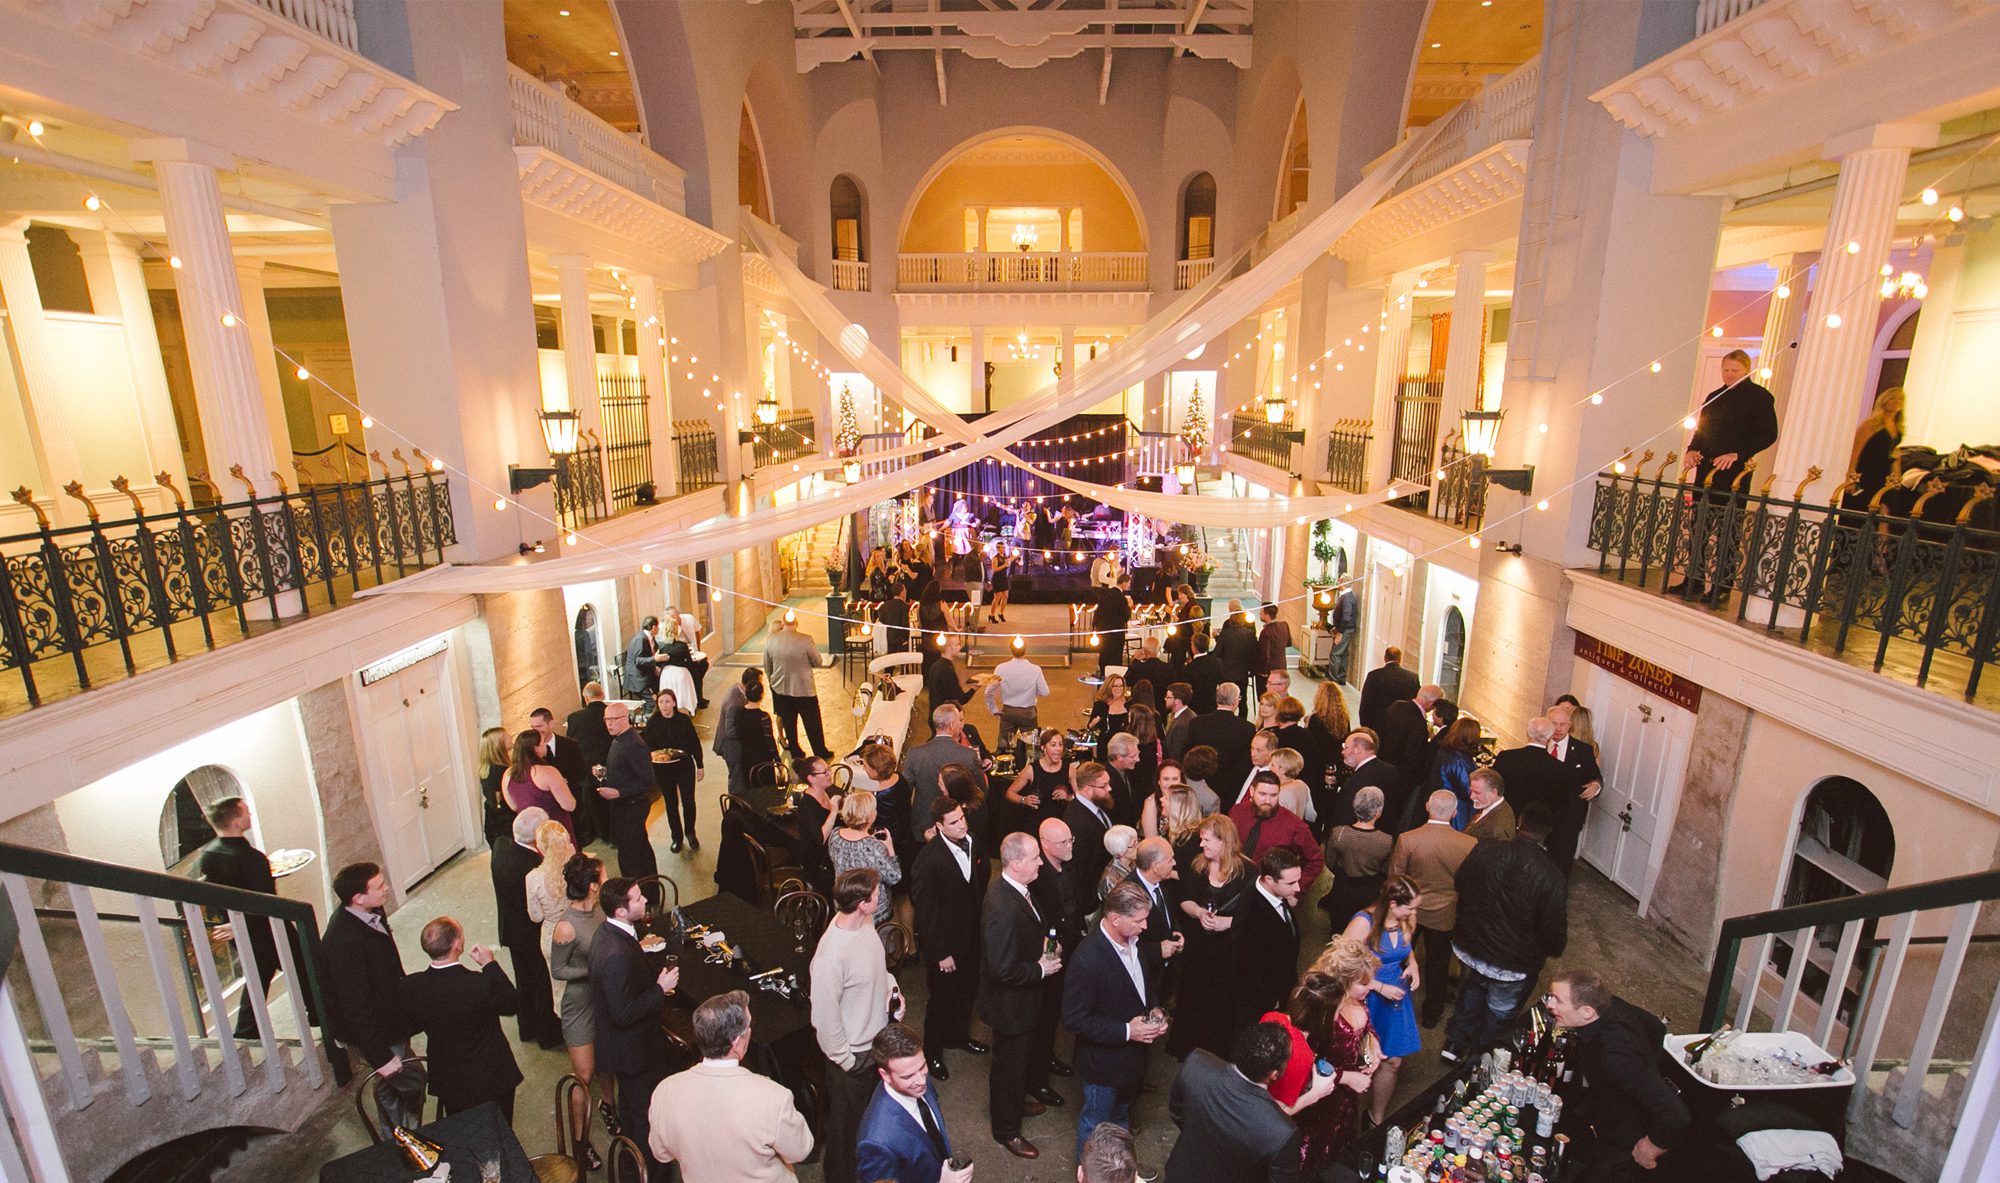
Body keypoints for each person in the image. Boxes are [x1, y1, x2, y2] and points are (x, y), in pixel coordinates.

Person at [649, 990, 814, 1182]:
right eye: (749, 1026)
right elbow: (801, 1151)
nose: (750, 1030)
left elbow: (661, 1153)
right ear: (736, 1042)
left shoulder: (665, 1090)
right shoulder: (773, 1097)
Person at [1444, 805, 1568, 1061]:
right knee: (1499, 1012)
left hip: (1471, 945)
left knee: (1472, 992)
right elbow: (1552, 927)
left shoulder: (1486, 849)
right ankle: (1482, 1057)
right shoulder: (1552, 876)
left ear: (1520, 822)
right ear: (1548, 833)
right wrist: (1552, 948)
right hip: (1511, 962)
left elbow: (1460, 882)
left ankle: (1455, 1044)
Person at [1544, 969, 1692, 1181]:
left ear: (1586, 1012)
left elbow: (1675, 1115)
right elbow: (1655, 1026)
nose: (1549, 1005)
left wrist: (1650, 1146)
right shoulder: (1610, 1004)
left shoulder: (1615, 1057)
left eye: (1558, 1001)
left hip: (1623, 1142)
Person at [1063, 880, 1166, 1159]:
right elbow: (1074, 1020)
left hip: (1132, 1060)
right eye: (1139, 921)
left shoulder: (1133, 941)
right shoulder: (1087, 959)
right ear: (1115, 918)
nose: (1144, 928)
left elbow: (1142, 985)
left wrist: (1154, 1009)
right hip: (1103, 1067)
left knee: (1121, 1119)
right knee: (1095, 1126)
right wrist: (1126, 1031)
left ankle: (1117, 1170)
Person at [320, 861, 424, 1131]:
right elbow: (355, 1007)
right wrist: (380, 1058)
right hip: (378, 1030)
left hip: (391, 1016)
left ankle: (399, 1140)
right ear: (357, 898)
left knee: (390, 1090)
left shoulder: (371, 910)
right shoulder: (344, 942)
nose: (386, 889)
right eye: (379, 886)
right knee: (413, 1080)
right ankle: (408, 1142)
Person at [197, 796, 310, 1040]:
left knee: (259, 977)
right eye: (246, 812)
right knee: (305, 966)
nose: (250, 815)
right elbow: (266, 901)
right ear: (236, 820)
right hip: (267, 927)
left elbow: (215, 895)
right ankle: (319, 1014)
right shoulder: (253, 859)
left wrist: (232, 925)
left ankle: (247, 1032)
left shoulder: (208, 855)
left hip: (239, 929)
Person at [983, 831, 1066, 1159]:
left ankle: (1014, 1104)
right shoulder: (1002, 905)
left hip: (1024, 1002)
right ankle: (1006, 1130)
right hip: (1010, 1007)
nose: (1041, 863)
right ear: (1016, 863)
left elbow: (1031, 929)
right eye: (1034, 858)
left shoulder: (1018, 889)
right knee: (1008, 1068)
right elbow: (1001, 969)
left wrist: (1048, 944)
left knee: (1018, 1065)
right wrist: (1041, 969)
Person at [591, 877, 681, 1180]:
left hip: (622, 1051)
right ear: (620, 911)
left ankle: (631, 1172)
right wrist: (659, 989)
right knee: (647, 1123)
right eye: (638, 899)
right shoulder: (616, 955)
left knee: (631, 1116)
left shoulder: (607, 933)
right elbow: (622, 1013)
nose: (645, 902)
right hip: (635, 1053)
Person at [812, 868, 898, 1183]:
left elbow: (877, 968)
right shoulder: (830, 956)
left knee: (870, 1127)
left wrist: (891, 988)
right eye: (877, 893)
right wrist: (847, 1060)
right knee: (844, 1140)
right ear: (862, 903)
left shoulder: (866, 924)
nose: (881, 896)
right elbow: (824, 1018)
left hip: (875, 1046)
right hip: (852, 1059)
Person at [1674, 348, 1778, 596]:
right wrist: (1692, 449)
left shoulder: (1760, 397)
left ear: (1746, 370)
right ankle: (1694, 579)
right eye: (1726, 370)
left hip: (1734, 474)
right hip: (1706, 471)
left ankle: (1722, 587)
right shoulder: (1714, 396)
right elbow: (1702, 430)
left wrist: (1737, 454)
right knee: (1699, 526)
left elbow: (1767, 435)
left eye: (1735, 370)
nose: (1729, 374)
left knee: (1728, 530)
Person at [1269, 941, 1380, 1170]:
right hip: (1322, 1095)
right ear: (1346, 982)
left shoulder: (1358, 1000)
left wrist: (1373, 1044)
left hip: (1346, 1097)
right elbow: (1310, 1064)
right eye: (1364, 983)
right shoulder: (1325, 1015)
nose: (1371, 988)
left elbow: (1367, 1028)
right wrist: (1349, 1078)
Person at [399, 916, 521, 1123]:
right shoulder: (479, 985)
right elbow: (511, 1004)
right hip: (490, 1075)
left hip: (449, 1078)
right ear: (457, 945)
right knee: (500, 1131)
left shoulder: (411, 986)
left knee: (466, 1131)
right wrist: (490, 965)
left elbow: (410, 1024)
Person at [1164, 1022, 1303, 1183]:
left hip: (1181, 1173)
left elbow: (1177, 1111)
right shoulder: (1282, 1132)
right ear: (1273, 1074)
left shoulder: (1197, 1063)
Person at [911, 798, 989, 1073]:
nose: (961, 824)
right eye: (954, 822)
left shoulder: (974, 841)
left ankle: (958, 1036)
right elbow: (925, 912)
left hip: (971, 937)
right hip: (945, 944)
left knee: (968, 990)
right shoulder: (929, 859)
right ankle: (932, 1053)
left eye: (962, 818)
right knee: (941, 1000)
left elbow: (981, 879)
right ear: (939, 826)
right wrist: (941, 952)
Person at [1387, 791, 1478, 1028]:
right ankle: (1432, 1013)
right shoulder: (1468, 843)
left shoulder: (1408, 839)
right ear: (1455, 812)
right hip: (1445, 912)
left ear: (1428, 806)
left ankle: (1391, 999)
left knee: (1398, 956)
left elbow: (1395, 877)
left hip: (1410, 911)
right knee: (1438, 964)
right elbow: (1469, 882)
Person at [1341, 876, 1422, 1125]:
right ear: (1394, 903)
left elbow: (1407, 950)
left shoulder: (1407, 919)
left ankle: (1376, 1117)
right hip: (1365, 997)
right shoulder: (1363, 922)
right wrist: (1378, 986)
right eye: (1411, 907)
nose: (1415, 912)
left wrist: (1413, 965)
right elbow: (1342, 964)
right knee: (1357, 1059)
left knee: (1393, 1061)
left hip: (1396, 997)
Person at [548, 853, 610, 1172]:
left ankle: (609, 1107)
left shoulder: (599, 909)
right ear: (592, 886)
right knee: (583, 1076)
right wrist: (594, 969)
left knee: (608, 1061)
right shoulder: (565, 927)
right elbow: (558, 970)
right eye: (603, 876)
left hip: (604, 998)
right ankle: (580, 1143)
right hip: (580, 1006)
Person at [1171, 814, 1251, 1058]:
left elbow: (1255, 915)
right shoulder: (1198, 866)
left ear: (1223, 841)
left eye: (1206, 840)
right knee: (1194, 994)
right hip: (1198, 945)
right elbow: (1183, 899)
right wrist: (1198, 912)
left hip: (1228, 949)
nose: (1201, 844)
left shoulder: (1248, 872)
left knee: (1220, 1000)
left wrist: (1228, 922)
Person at [856, 1022, 975, 1183]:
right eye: (907, 1076)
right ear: (885, 1075)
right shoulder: (877, 1143)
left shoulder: (915, 1078)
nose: (921, 1081)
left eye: (923, 1067)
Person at [490, 808, 563, 1050]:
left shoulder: (500, 848)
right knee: (543, 985)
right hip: (532, 933)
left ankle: (527, 1027)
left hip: (510, 930)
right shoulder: (534, 867)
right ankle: (548, 1036)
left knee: (523, 980)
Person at [1030, 816, 1087, 1105]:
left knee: (1053, 1015)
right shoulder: (1037, 876)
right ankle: (1036, 1080)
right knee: (1041, 1018)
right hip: (1047, 957)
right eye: (1063, 842)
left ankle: (1048, 1058)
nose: (1069, 846)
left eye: (1070, 840)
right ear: (1045, 845)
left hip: (1069, 951)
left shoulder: (1069, 866)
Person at [1233, 847, 1304, 1034]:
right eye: (1291, 883)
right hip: (1261, 1003)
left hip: (1281, 988)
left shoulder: (1274, 893)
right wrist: (1270, 1000)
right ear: (1269, 880)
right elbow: (1245, 966)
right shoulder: (1251, 913)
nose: (1297, 888)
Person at [595, 701, 659, 876]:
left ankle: (636, 893)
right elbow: (627, 770)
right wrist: (606, 772)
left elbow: (648, 780)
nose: (609, 723)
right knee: (640, 850)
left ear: (626, 718)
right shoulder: (619, 740)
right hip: (623, 807)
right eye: (606, 719)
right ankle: (649, 890)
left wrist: (618, 792)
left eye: (614, 719)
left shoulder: (633, 744)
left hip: (632, 807)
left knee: (631, 855)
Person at [1228, 776, 1324, 888]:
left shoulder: (1294, 825)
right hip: (1230, 881)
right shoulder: (1237, 811)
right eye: (1262, 794)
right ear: (1252, 791)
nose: (1268, 801)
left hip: (1267, 890)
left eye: (1273, 795)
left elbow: (1316, 860)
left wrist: (1295, 890)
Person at [1490, 716, 1584, 831]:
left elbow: (1492, 788)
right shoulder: (1560, 769)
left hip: (1505, 821)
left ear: (1527, 733)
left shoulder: (1506, 757)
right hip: (1538, 829)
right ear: (1550, 737)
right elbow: (1562, 803)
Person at [904, 703, 989, 829]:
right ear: (951, 725)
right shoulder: (968, 755)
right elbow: (981, 791)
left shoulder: (915, 753)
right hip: (957, 823)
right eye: (959, 720)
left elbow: (905, 792)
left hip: (925, 823)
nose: (962, 724)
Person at [1320, 785, 1395, 924]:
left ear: (1355, 807)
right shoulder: (1386, 840)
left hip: (1342, 888)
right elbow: (1386, 869)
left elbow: (1329, 862)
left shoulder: (1338, 833)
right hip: (1370, 893)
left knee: (1338, 928)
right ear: (1378, 812)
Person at [1546, 701, 1604, 874]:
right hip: (1540, 816)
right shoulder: (1539, 743)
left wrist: (1596, 785)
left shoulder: (1583, 751)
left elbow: (1595, 776)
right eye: (1554, 724)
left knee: (1560, 867)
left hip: (1568, 818)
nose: (1558, 728)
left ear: (1570, 725)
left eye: (1563, 724)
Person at [643, 687, 703, 853]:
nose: (664, 705)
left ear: (674, 703)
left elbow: (694, 743)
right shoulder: (653, 722)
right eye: (661, 702)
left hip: (684, 766)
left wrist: (700, 765)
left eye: (668, 701)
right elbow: (648, 746)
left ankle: (690, 832)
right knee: (671, 804)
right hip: (663, 770)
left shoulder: (683, 720)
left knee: (688, 801)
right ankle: (676, 837)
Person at [829, 791, 901, 928]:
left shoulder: (835, 835)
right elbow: (894, 877)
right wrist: (890, 849)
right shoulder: (873, 847)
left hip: (843, 907)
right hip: (873, 914)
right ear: (870, 817)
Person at [503, 727, 576, 847]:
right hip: (554, 830)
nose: (546, 745)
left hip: (530, 835)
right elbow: (570, 805)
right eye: (543, 742)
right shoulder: (548, 772)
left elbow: (514, 806)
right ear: (535, 748)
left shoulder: (508, 774)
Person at [1187, 684, 1257, 805]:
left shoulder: (1196, 723)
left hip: (1201, 785)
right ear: (1235, 701)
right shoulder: (1247, 728)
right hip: (1232, 789)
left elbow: (1186, 754)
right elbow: (1246, 763)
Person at [525, 817, 576, 967]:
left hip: (552, 936)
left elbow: (536, 916)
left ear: (540, 846)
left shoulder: (533, 878)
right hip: (579, 928)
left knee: (559, 986)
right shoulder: (578, 867)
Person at [1335, 728, 1406, 832]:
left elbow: (1344, 815)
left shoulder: (1356, 780)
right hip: (1384, 838)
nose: (1342, 752)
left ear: (1357, 749)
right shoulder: (1391, 771)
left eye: (1345, 747)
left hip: (1357, 839)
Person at [1845, 386, 1905, 510]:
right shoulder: (1872, 424)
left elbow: (1894, 453)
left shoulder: (1897, 426)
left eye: (1900, 399)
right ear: (1884, 401)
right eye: (1892, 398)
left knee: (1886, 508)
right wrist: (1850, 478)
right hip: (1868, 470)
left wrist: (1897, 475)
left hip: (1885, 472)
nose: (1896, 402)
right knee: (1869, 506)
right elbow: (1856, 450)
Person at [1008, 727, 1076, 830]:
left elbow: (1080, 797)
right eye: (1053, 745)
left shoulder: (1069, 769)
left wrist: (1068, 797)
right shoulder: (1031, 770)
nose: (1058, 749)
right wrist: (1023, 800)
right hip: (1036, 824)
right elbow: (1010, 793)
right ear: (1043, 748)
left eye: (1060, 744)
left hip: (1060, 823)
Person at [988, 640, 1051, 750]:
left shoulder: (1001, 668)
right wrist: (1032, 692)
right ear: (1026, 649)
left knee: (1004, 745)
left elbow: (989, 691)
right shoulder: (1035, 669)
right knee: (1031, 748)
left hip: (1008, 711)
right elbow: (1045, 692)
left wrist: (994, 709)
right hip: (1028, 712)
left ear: (1010, 649)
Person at [1303, 682, 1351, 825]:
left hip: (1318, 766)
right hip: (1335, 765)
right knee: (1330, 800)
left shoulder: (1315, 720)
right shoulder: (1344, 719)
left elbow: (1311, 745)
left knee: (1317, 801)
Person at [1379, 684, 1443, 791]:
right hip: (1400, 777)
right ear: (1431, 704)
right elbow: (1413, 756)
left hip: (1383, 766)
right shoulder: (1419, 724)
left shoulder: (1397, 705)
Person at [1065, 761, 1118, 889]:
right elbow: (1083, 868)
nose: (1109, 789)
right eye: (1104, 786)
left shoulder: (1100, 803)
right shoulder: (1076, 821)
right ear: (1088, 790)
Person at [792, 756, 840, 894]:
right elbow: (820, 839)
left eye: (829, 770)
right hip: (819, 866)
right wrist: (834, 811)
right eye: (825, 772)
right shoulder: (806, 806)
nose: (830, 774)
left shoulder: (828, 791)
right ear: (811, 779)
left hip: (832, 857)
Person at [1427, 716, 1482, 830]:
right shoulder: (1459, 761)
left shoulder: (1447, 750)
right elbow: (1467, 791)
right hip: (1457, 810)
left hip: (1445, 803)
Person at [1357, 646, 1420, 733]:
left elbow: (1366, 702)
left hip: (1378, 723)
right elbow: (1416, 701)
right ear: (1400, 659)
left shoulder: (1374, 676)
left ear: (1385, 658)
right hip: (1402, 724)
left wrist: (1365, 725)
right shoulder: (1413, 678)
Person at [1212, 601, 1257, 708]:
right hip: (1242, 673)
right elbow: (1253, 653)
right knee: (1242, 700)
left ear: (1231, 620)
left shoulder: (1225, 634)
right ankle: (1242, 720)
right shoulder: (1250, 635)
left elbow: (1217, 653)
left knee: (1224, 700)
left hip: (1226, 674)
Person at [477, 726, 514, 846]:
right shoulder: (503, 771)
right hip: (506, 825)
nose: (511, 737)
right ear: (499, 744)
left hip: (493, 823)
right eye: (507, 736)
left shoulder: (487, 770)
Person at [926, 632, 977, 713]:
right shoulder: (946, 670)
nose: (960, 647)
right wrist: (974, 688)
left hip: (935, 713)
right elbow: (961, 700)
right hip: (943, 718)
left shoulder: (936, 665)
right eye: (957, 645)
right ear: (949, 649)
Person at [1093, 572, 1133, 674]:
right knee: (1115, 658)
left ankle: (1102, 678)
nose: (1129, 585)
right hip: (1116, 634)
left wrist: (1096, 628)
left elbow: (1098, 612)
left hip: (1103, 631)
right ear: (1123, 583)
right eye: (1128, 583)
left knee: (1104, 655)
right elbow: (1124, 617)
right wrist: (1129, 606)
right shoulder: (1121, 598)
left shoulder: (1105, 594)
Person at [1465, 767, 1518, 843]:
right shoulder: (1491, 806)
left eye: (1477, 793)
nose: (1471, 796)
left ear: (1493, 792)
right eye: (1471, 791)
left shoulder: (1498, 829)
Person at [1103, 731, 1144, 828]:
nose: (1138, 759)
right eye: (1133, 756)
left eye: (1138, 754)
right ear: (1119, 757)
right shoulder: (1105, 779)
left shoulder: (1129, 771)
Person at [1252, 603, 1292, 701]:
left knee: (1267, 697)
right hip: (1282, 666)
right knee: (1280, 694)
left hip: (1269, 670)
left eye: (1261, 612)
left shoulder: (1266, 632)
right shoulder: (1284, 625)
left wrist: (1262, 672)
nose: (1260, 614)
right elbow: (1289, 643)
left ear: (1266, 614)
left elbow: (1265, 655)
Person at [1180, 632, 1225, 715]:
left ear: (1194, 648)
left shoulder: (1189, 668)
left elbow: (1185, 690)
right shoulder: (1216, 663)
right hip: (1212, 704)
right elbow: (1221, 682)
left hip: (1195, 707)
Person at [624, 615, 667, 698]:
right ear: (654, 627)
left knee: (662, 690)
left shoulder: (650, 637)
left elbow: (656, 650)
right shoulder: (641, 639)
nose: (659, 628)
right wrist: (654, 659)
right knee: (651, 702)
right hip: (638, 678)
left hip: (647, 673)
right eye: (658, 626)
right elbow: (638, 660)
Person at [1127, 638, 1174, 713]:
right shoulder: (1168, 668)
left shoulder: (1138, 668)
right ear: (1158, 649)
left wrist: (1135, 660)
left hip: (1140, 709)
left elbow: (1127, 681)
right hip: (1162, 708)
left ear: (1144, 650)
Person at [1097, 824, 1140, 902]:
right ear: (1121, 851)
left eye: (1137, 841)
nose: (1138, 846)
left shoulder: (1135, 863)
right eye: (1134, 844)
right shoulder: (1110, 879)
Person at [1088, 673, 1133, 747]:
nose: (1118, 689)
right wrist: (1093, 724)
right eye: (1115, 686)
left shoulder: (1130, 703)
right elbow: (1090, 726)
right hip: (1106, 744)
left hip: (1125, 745)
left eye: (1121, 686)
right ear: (1108, 687)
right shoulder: (1100, 705)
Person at [1328, 586, 1360, 684]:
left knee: (1335, 653)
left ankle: (1334, 678)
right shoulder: (1348, 596)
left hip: (1345, 630)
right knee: (1343, 653)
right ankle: (1341, 677)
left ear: (1342, 583)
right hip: (1345, 629)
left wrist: (1340, 633)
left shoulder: (1347, 598)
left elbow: (1346, 617)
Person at [1161, 682, 1197, 761]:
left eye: (1168, 697)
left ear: (1177, 701)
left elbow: (1176, 755)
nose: (1165, 699)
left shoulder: (1181, 725)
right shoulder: (1188, 715)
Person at [880, 580, 914, 654]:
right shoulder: (904, 606)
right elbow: (905, 624)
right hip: (901, 637)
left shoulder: (886, 605)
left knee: (891, 657)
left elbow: (882, 619)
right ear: (902, 592)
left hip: (890, 635)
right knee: (902, 659)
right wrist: (905, 639)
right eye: (905, 590)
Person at [987, 541, 1015, 624]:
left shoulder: (1005, 556)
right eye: (1002, 547)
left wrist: (1014, 556)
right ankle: (991, 615)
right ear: (998, 548)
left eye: (1004, 547)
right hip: (997, 579)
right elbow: (995, 569)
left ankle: (1001, 613)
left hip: (1004, 578)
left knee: (1005, 596)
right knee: (997, 597)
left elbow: (1008, 561)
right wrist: (1004, 565)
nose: (1004, 549)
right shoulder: (995, 558)